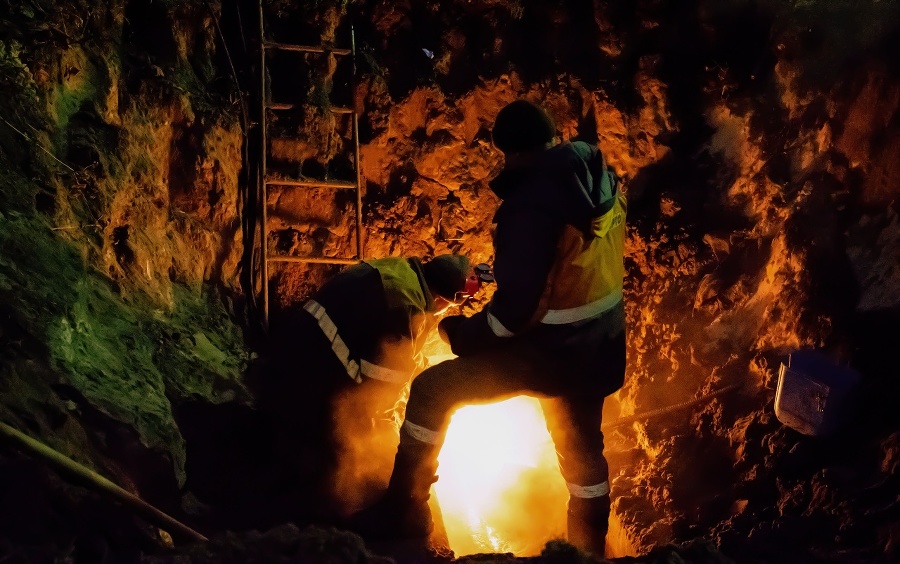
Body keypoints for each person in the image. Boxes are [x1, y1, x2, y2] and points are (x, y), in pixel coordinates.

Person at [352, 99, 627, 556]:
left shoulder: (530, 205)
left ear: (510, 151)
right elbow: (570, 265)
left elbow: (512, 317)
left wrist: (462, 334)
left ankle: (403, 510)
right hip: (598, 349)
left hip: (546, 353)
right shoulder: (601, 180)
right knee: (582, 456)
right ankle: (588, 549)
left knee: (432, 391)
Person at [253, 253, 480, 521]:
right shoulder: (403, 307)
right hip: (308, 379)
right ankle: (306, 511)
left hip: (296, 346)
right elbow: (378, 394)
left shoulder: (401, 271)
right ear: (443, 299)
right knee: (349, 460)